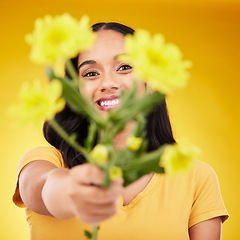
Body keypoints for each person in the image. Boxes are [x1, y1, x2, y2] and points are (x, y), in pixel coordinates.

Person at [13, 22, 229, 240]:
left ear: (150, 81)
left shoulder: (196, 178)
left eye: (124, 67)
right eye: (90, 73)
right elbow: (41, 188)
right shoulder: (45, 161)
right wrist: (70, 188)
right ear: (74, 93)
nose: (108, 83)